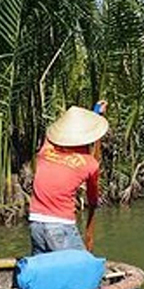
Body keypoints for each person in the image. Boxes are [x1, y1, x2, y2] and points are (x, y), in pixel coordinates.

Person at [28, 104, 109, 254]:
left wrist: (95, 112)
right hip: (60, 226)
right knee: (81, 269)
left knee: (44, 270)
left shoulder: (45, 151)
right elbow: (93, 198)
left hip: (35, 223)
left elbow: (54, 135)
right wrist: (96, 115)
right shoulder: (90, 164)